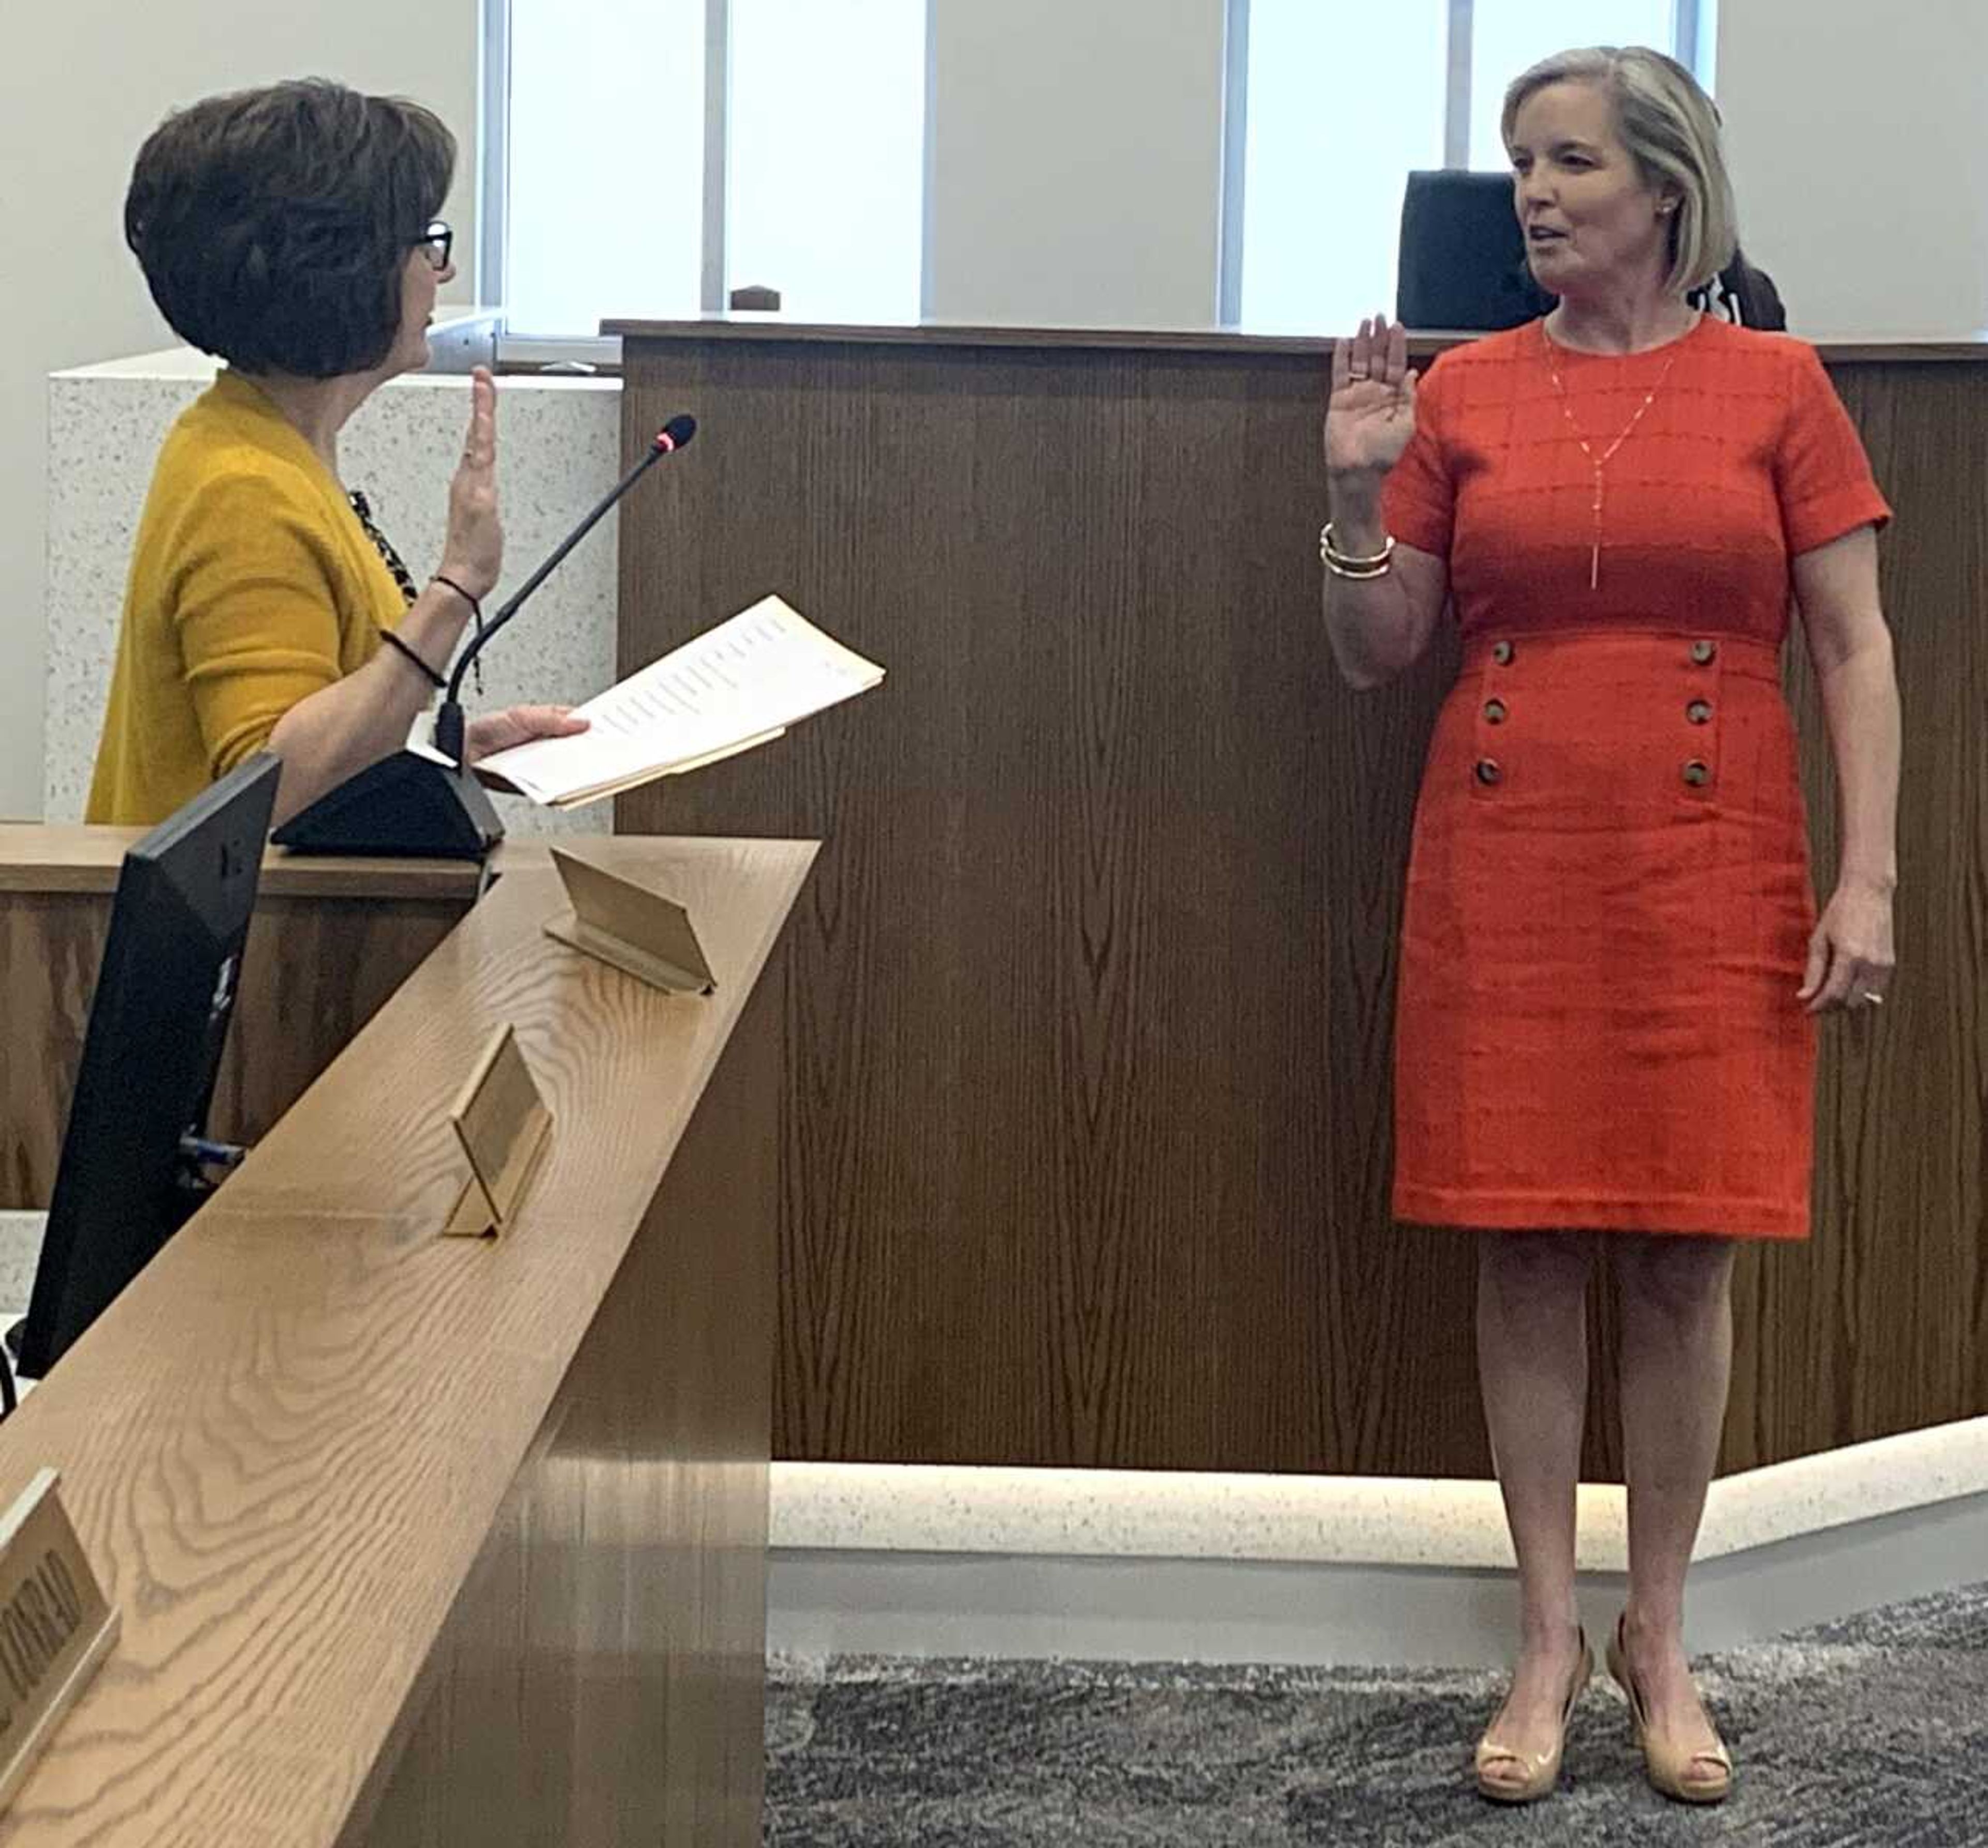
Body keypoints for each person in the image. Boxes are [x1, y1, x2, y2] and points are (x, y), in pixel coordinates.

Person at [1319, 46, 1898, 1806]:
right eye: (1520, 168)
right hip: (1511, 853)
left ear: (1665, 186)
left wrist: (1868, 877)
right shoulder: (1468, 390)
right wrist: (1357, 496)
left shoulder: (1781, 384)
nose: (1536, 195)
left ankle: (1661, 1632)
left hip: (1718, 856)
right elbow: (1377, 650)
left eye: (1569, 162)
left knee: (1678, 1251)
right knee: (1519, 1241)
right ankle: (1547, 1639)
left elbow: (1856, 645)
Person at [88, 79, 584, 830]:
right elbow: (272, 794)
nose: (440, 271)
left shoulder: (254, 440)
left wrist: (441, 754)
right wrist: (456, 587)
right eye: (424, 242)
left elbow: (314, 733)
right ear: (346, 270)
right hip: (248, 948)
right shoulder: (244, 488)